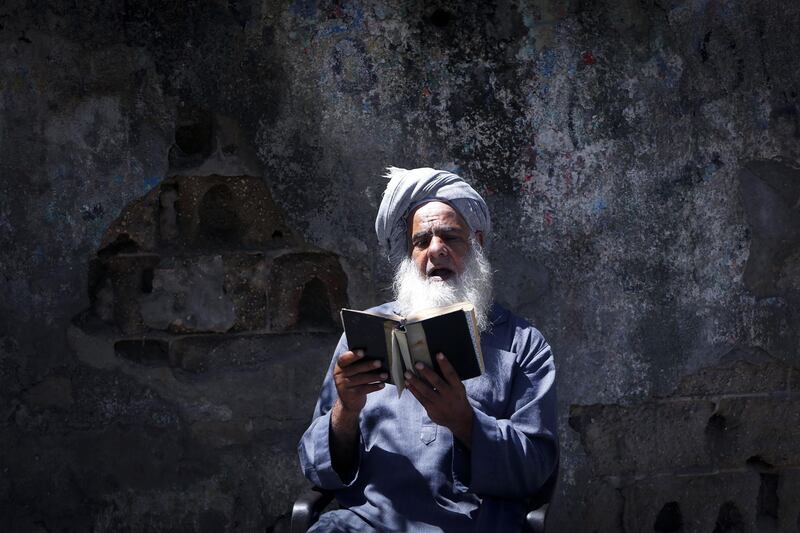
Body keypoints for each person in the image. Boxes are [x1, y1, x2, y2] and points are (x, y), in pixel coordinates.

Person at [298, 167, 558, 532]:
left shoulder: (523, 345)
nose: (436, 249)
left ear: (478, 243)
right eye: (421, 241)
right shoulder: (365, 335)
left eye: (450, 236)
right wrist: (346, 409)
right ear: (409, 255)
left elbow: (535, 471)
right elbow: (314, 467)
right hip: (367, 523)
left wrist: (465, 422)